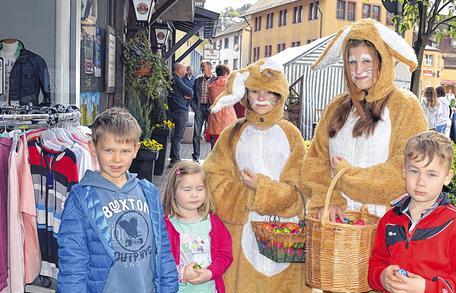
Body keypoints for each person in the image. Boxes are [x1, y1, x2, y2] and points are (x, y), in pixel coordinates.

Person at [302, 19, 428, 221]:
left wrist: (346, 177)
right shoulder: (336, 106)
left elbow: (405, 169)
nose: (358, 71)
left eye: (366, 61)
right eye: (352, 62)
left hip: (385, 226)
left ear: (382, 61)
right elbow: (315, 161)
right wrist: (330, 199)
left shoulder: (404, 105)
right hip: (338, 226)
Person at [204, 58, 308, 292]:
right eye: (255, 92)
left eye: (269, 93)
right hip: (239, 233)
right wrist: (246, 195)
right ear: (246, 94)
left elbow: (301, 190)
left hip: (285, 236)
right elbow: (213, 179)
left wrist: (263, 189)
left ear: (280, 95)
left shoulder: (291, 135)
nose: (261, 99)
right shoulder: (232, 133)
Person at [57, 107, 178, 292]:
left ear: (136, 149)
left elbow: (162, 249)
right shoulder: (81, 199)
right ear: (93, 148)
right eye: (108, 150)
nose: (117, 159)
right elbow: (73, 261)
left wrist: (169, 287)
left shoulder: (149, 193)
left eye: (125, 151)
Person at [368, 131, 456, 292]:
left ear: (447, 177)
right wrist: (381, 277)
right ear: (404, 171)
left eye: (431, 174)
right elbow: (377, 261)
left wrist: (427, 288)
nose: (421, 182)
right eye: (414, 171)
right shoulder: (389, 220)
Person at [163, 161, 233, 293]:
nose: (194, 194)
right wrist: (182, 273)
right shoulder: (165, 226)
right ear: (173, 191)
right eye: (187, 189)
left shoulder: (213, 222)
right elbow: (160, 261)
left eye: (199, 189)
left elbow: (225, 254)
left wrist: (211, 272)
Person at [168, 62, 194, 167]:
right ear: (179, 69)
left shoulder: (174, 79)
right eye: (184, 69)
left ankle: (174, 157)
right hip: (180, 110)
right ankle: (175, 159)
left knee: (176, 136)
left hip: (175, 109)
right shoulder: (177, 79)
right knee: (178, 136)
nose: (185, 71)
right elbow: (190, 92)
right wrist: (186, 95)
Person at [207, 64, 237, 148]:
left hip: (215, 116)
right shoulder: (229, 85)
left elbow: (209, 100)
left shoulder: (210, 86)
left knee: (215, 144)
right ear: (226, 73)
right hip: (228, 116)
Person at [191, 60, 216, 162]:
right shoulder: (198, 80)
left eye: (203, 67)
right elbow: (192, 94)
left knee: (213, 133)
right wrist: (194, 107)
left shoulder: (215, 80)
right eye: (201, 67)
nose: (201, 68)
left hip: (211, 109)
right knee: (197, 133)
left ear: (210, 68)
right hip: (199, 108)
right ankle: (196, 156)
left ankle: (213, 157)